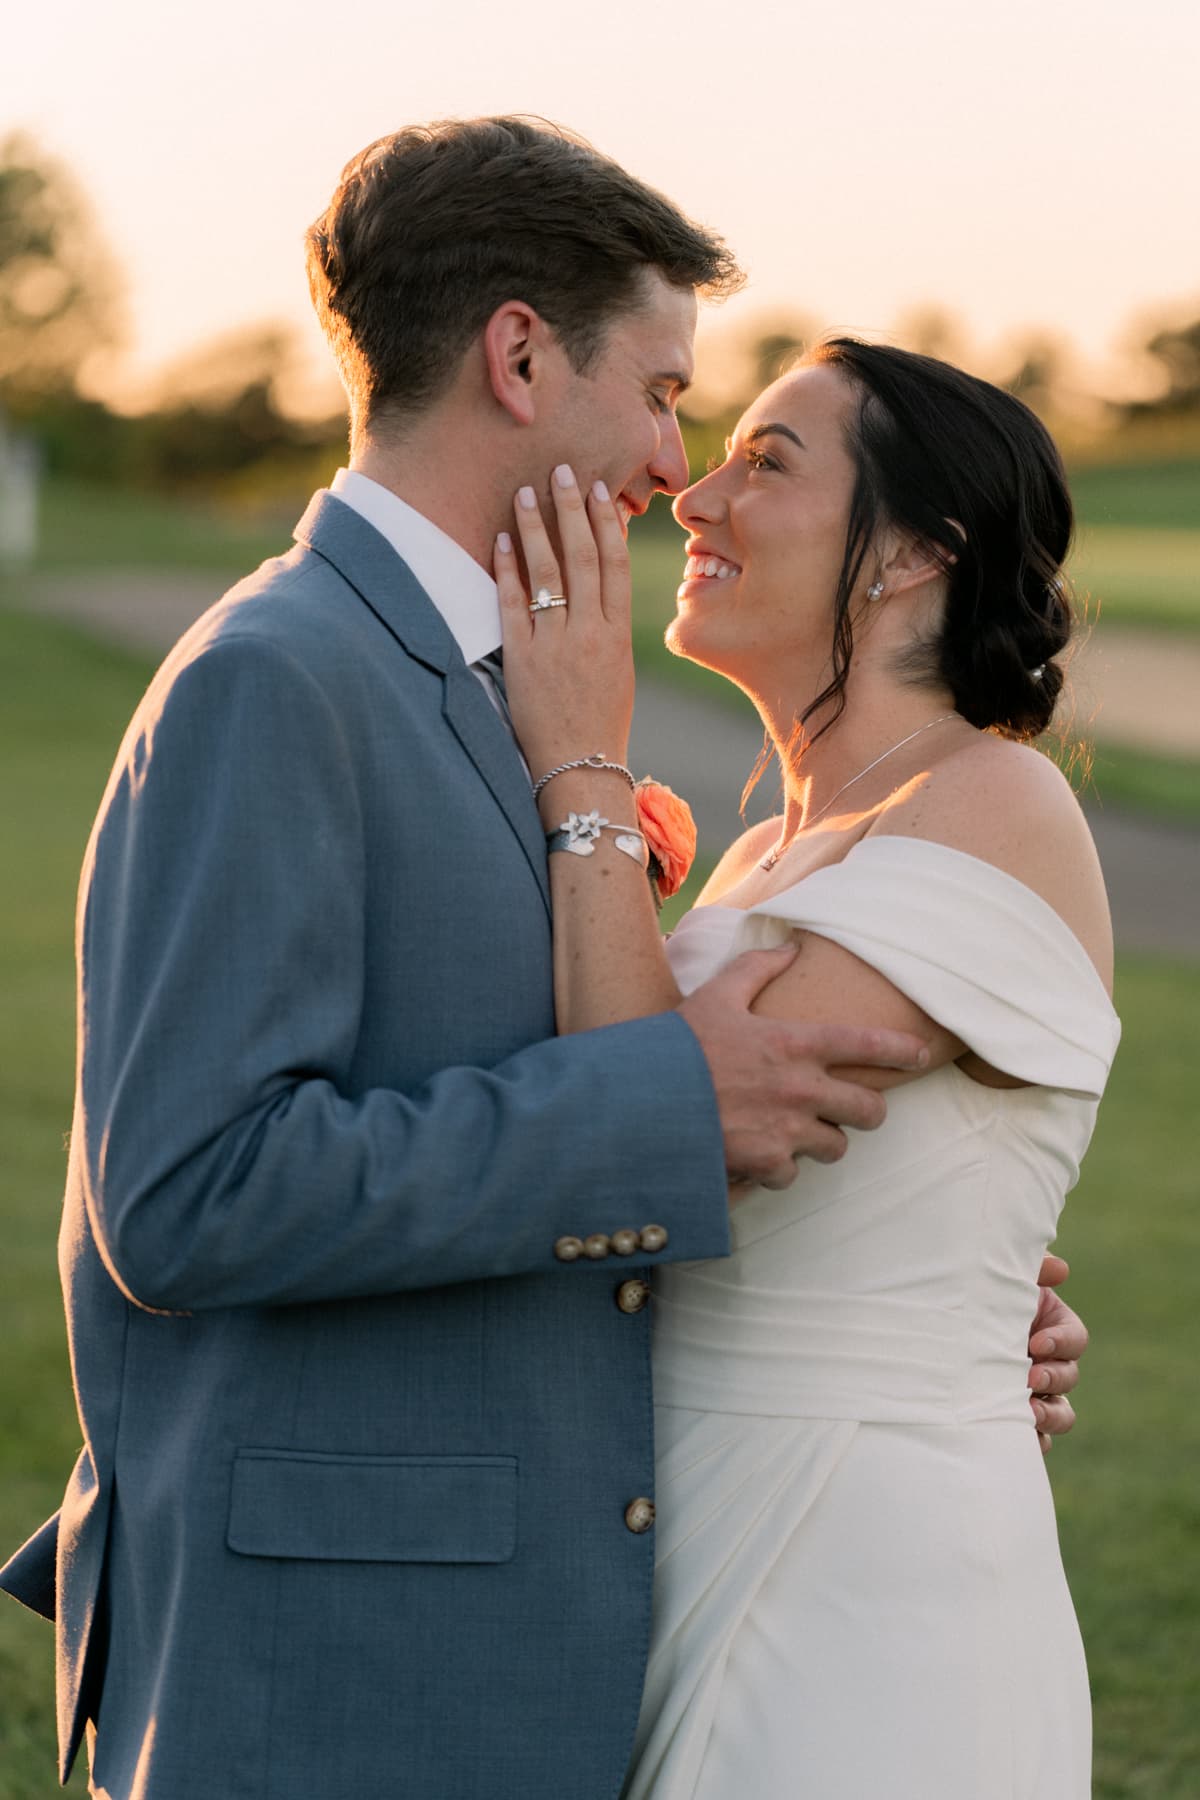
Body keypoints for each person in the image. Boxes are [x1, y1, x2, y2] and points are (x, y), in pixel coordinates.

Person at [0, 121, 1087, 1799]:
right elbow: (184, 1193)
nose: (677, 469)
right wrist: (665, 1108)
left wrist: (928, 1291)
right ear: (520, 355)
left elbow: (653, 1127)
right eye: (664, 396)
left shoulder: (480, 688)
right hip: (344, 1637)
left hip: (584, 1611)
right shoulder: (282, 678)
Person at [493, 336, 1119, 1796]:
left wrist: (583, 764)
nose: (693, 499)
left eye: (764, 464)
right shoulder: (770, 851)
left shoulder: (994, 800)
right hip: (677, 1507)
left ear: (911, 552)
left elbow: (661, 1133)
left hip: (853, 1554)